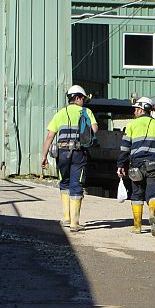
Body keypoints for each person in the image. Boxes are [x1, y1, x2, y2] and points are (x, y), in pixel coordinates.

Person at [41, 85, 98, 232]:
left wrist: (44, 156)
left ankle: (66, 217)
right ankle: (74, 223)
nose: (83, 102)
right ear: (78, 98)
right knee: (76, 184)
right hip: (79, 152)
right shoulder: (87, 112)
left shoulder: (60, 113)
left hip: (62, 152)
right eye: (83, 99)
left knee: (64, 182)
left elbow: (49, 136)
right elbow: (95, 130)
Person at [117, 97, 155, 237]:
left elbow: (124, 148)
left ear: (141, 109)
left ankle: (137, 226)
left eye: (135, 109)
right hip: (154, 165)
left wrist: (121, 165)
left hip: (136, 165)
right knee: (154, 195)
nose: (134, 111)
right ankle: (152, 214)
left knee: (137, 194)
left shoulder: (131, 125)